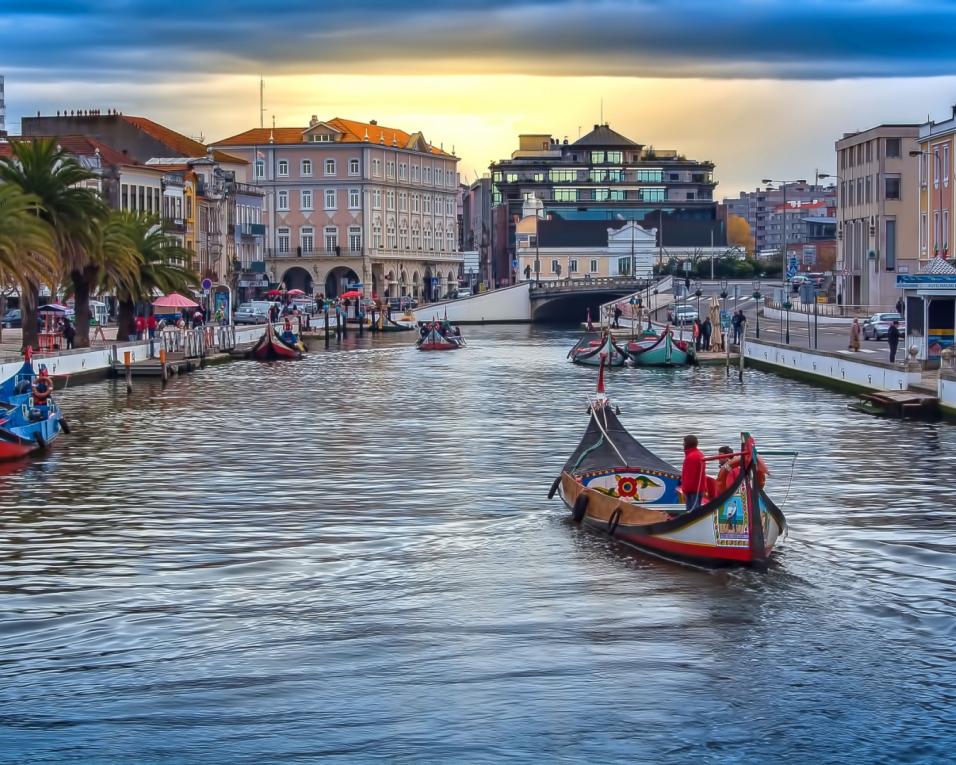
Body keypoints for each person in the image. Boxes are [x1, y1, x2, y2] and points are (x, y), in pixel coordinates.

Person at [680, 435, 707, 512]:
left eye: (684, 443)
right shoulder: (699, 454)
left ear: (686, 444)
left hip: (692, 491)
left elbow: (689, 477)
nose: (683, 444)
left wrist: (684, 490)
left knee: (692, 513)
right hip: (698, 489)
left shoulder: (691, 457)